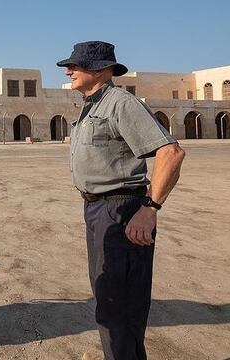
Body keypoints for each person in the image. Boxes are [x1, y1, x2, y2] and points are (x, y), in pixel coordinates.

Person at [57, 41, 186, 360]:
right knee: (108, 299)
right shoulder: (93, 105)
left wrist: (150, 209)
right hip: (98, 210)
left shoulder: (119, 103)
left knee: (120, 307)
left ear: (100, 69)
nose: (68, 71)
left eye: (76, 66)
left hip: (121, 211)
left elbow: (170, 153)